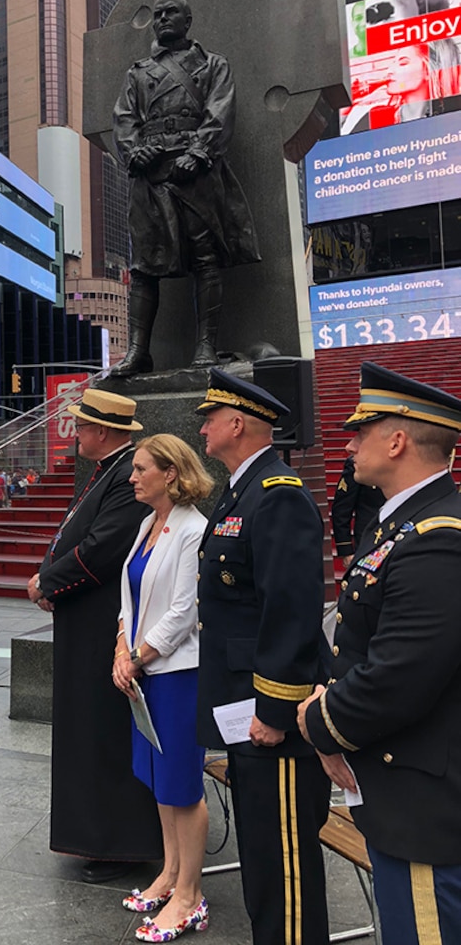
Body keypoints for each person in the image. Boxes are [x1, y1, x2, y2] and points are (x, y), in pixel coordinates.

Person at [298, 363, 461, 944]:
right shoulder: (401, 524)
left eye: (360, 431)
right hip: (398, 791)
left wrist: (320, 720)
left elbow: (400, 675)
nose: (348, 442)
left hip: (423, 807)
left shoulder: (438, 537)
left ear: (397, 440)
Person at [195, 368, 330, 945]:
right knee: (259, 851)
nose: (201, 428)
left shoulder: (277, 497)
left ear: (237, 423)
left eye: (209, 418)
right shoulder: (239, 492)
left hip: (268, 714)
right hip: (239, 703)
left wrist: (274, 712)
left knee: (283, 866)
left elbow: (292, 612)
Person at [27, 388, 162, 883]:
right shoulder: (109, 470)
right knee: (88, 729)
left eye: (81, 425)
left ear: (102, 431)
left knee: (102, 733)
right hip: (85, 622)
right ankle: (97, 837)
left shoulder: (126, 479)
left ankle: (116, 844)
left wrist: (50, 581)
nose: (75, 432)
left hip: (104, 625)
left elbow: (102, 549)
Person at [110, 0, 258, 376]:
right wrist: (133, 152)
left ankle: (206, 346)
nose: (162, 19)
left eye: (170, 12)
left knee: (205, 256)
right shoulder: (138, 72)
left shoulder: (212, 65)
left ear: (188, 19)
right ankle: (138, 351)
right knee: (143, 265)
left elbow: (220, 111)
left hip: (193, 172)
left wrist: (200, 153)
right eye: (157, 14)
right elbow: (124, 117)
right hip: (150, 172)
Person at [113, 434, 213, 941]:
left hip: (175, 674)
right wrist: (120, 649)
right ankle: (171, 874)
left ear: (171, 473)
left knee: (182, 785)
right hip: (143, 671)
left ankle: (191, 896)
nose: (133, 477)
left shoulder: (193, 530)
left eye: (140, 468)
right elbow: (130, 599)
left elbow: (184, 609)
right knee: (157, 777)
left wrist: (138, 655)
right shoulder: (147, 524)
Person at [331, 454, 384, 562]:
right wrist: (346, 549)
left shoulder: (409, 462)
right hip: (369, 538)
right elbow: (342, 508)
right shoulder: (357, 463)